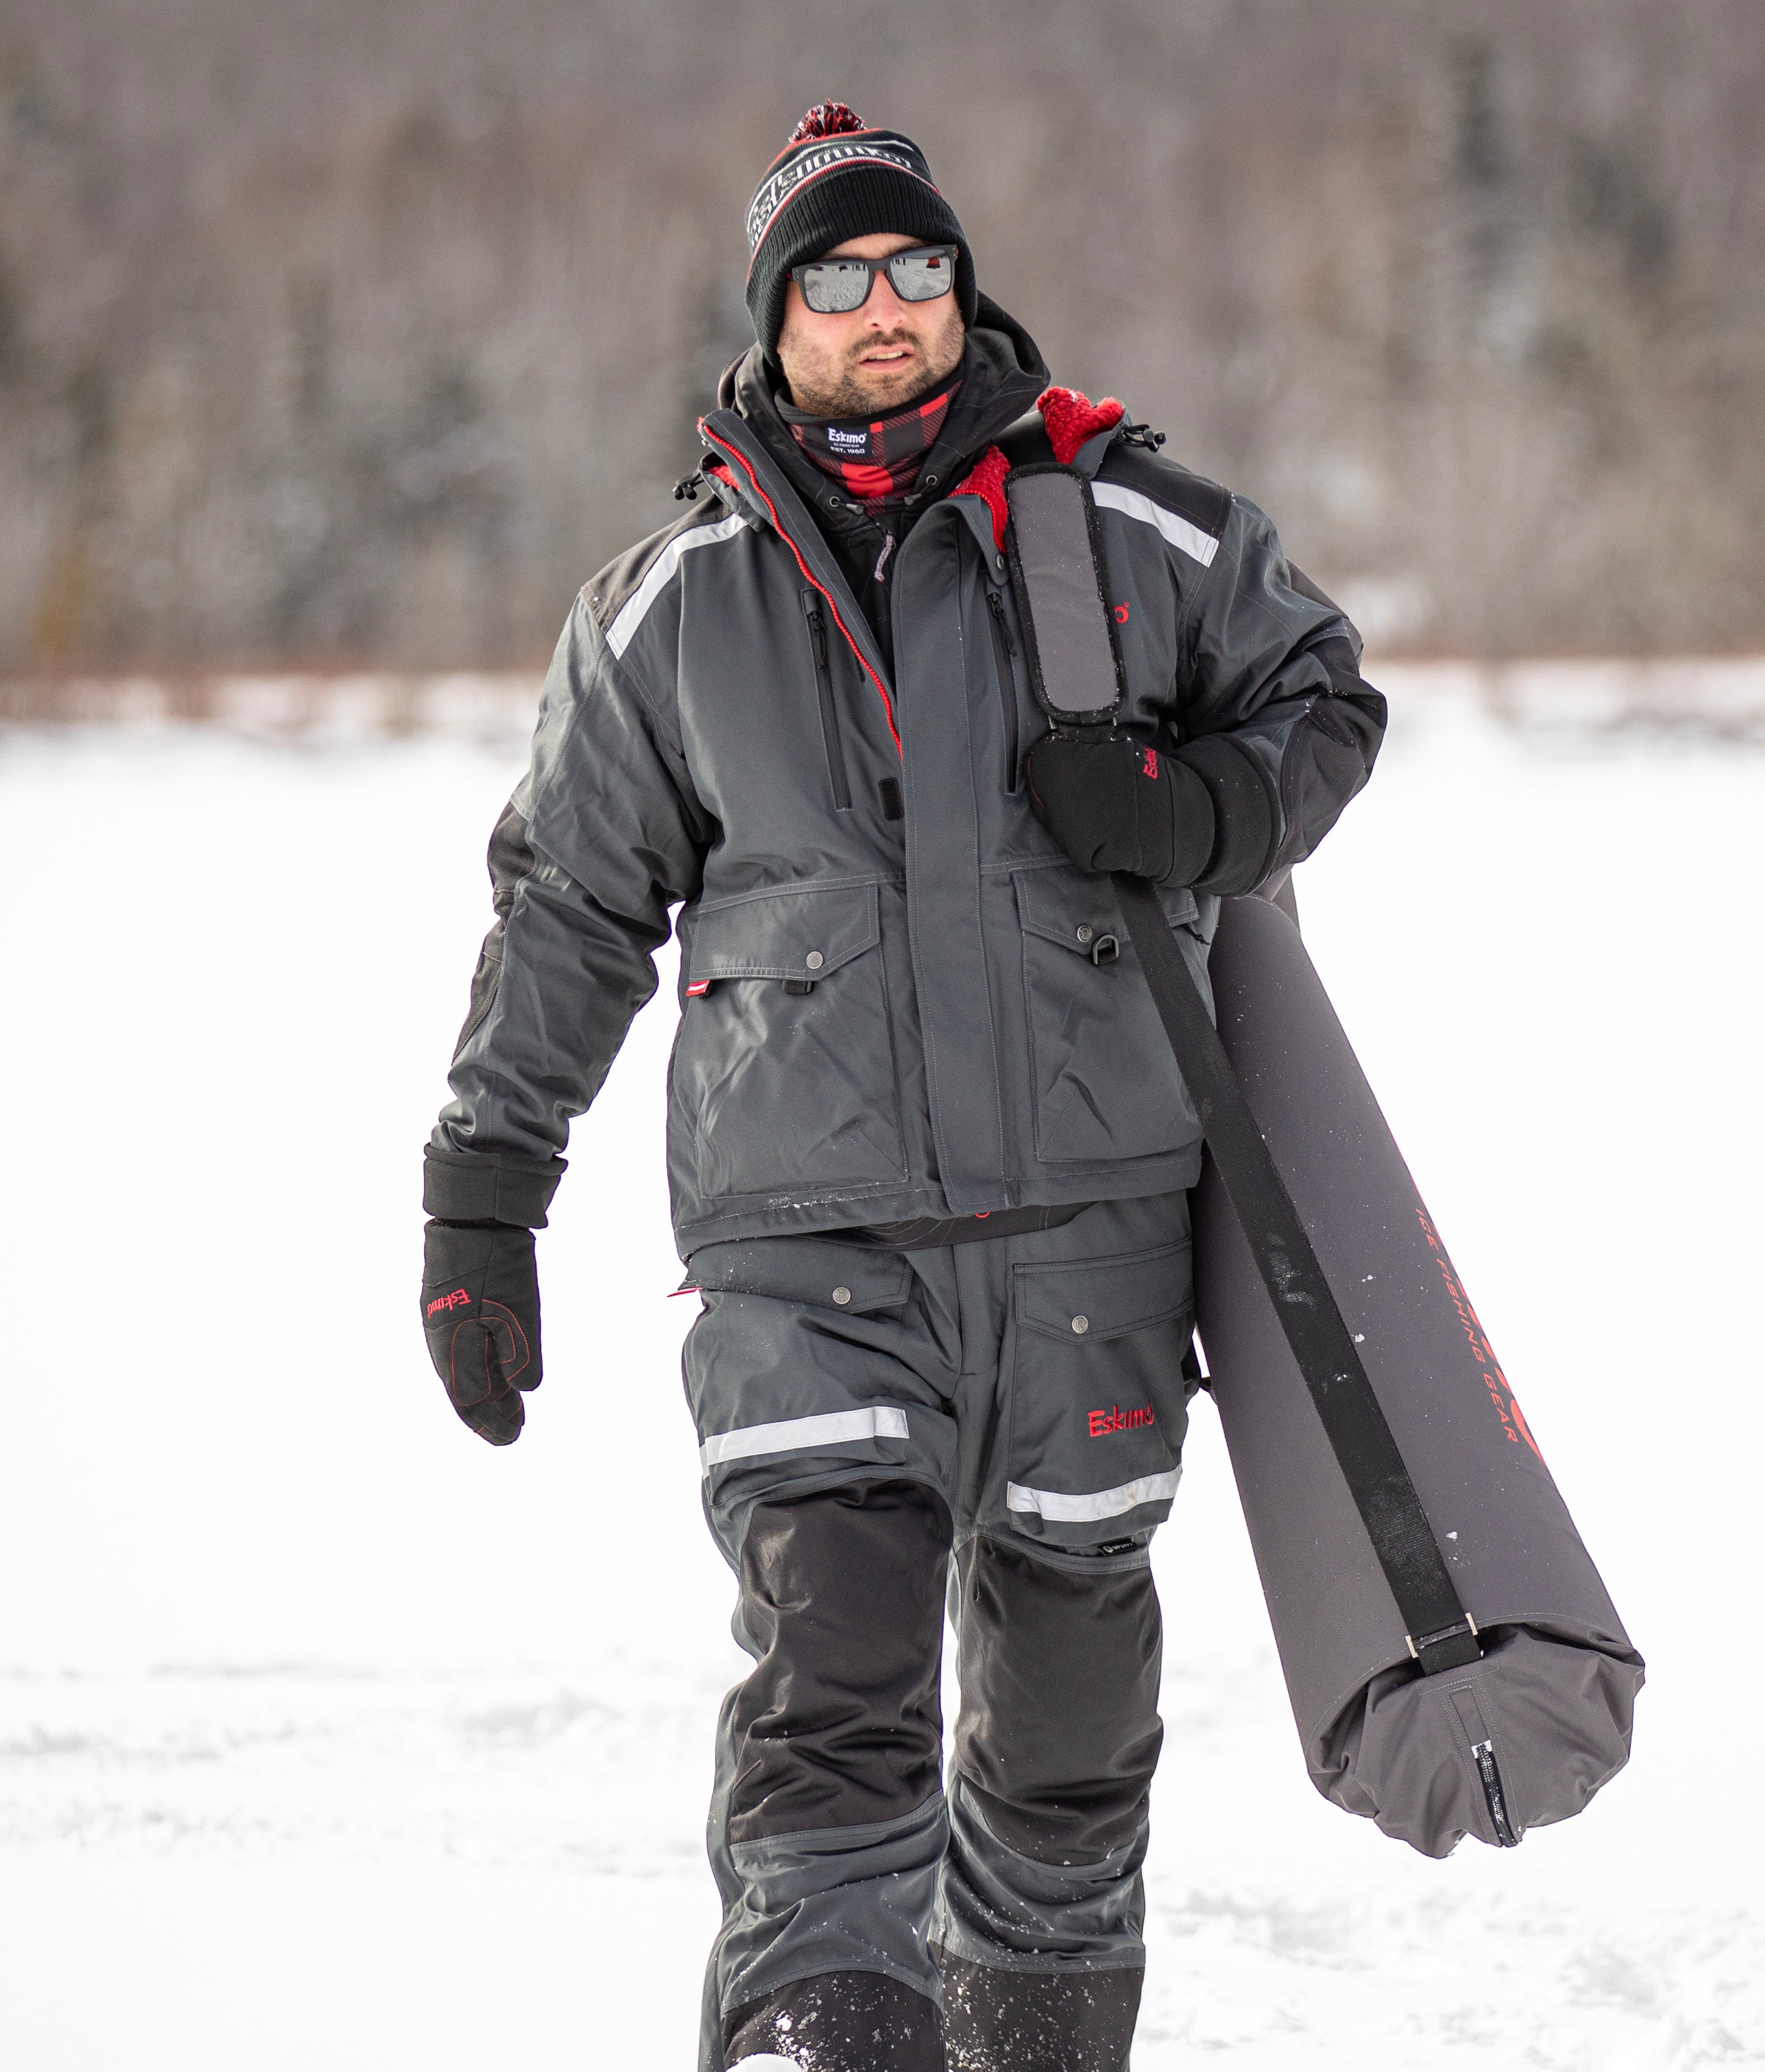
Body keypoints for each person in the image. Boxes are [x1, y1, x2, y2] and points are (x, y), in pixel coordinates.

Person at [420, 101, 1385, 2072]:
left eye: (919, 271)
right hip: (811, 1239)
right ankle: (820, 2039)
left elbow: (1325, 696)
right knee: (833, 1675)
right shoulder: (666, 611)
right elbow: (568, 910)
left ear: (963, 290)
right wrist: (483, 1188)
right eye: (840, 281)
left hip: (1094, 1239)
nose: (888, 313)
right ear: (771, 320)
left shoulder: (1129, 529)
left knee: (1064, 1726)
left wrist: (1200, 804)